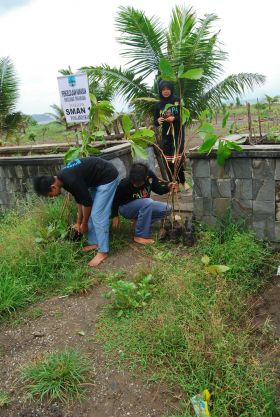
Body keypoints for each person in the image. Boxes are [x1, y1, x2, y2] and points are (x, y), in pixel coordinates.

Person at [33, 156, 119, 267]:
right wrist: (79, 223)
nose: (52, 198)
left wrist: (84, 224)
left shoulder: (70, 179)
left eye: (50, 196)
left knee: (97, 214)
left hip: (108, 177)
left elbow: (87, 204)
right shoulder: (62, 179)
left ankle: (103, 252)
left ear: (53, 187)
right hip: (96, 180)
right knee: (92, 213)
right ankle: (95, 243)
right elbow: (79, 200)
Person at [112, 162, 175, 244]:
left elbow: (158, 190)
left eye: (138, 183)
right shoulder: (125, 184)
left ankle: (139, 223)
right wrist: (115, 216)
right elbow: (115, 200)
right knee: (148, 202)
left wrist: (168, 187)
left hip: (144, 205)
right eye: (133, 182)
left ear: (145, 178)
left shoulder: (150, 176)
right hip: (126, 208)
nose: (135, 185)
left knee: (167, 209)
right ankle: (139, 236)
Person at [153, 79, 189, 190]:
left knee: (177, 159)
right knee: (169, 161)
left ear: (171, 89)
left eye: (168, 89)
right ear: (160, 91)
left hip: (178, 134)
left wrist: (175, 118)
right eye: (163, 89)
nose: (166, 91)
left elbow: (185, 117)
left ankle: (183, 181)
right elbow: (155, 121)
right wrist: (157, 121)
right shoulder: (158, 105)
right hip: (166, 137)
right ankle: (174, 184)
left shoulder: (177, 100)